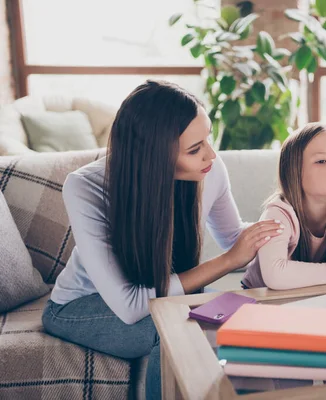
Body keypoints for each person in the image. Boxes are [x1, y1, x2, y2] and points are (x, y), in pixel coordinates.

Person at [41, 80, 283, 399]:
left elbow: (232, 238)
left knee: (247, 313)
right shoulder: (86, 187)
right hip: (80, 306)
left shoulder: (209, 169)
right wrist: (227, 263)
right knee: (170, 329)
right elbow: (129, 306)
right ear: (153, 154)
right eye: (194, 149)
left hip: (162, 294)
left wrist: (288, 224)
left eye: (207, 138)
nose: (211, 154)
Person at [242, 123, 326, 290]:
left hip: (310, 295)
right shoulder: (278, 214)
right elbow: (275, 275)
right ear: (293, 172)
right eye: (321, 161)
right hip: (262, 300)